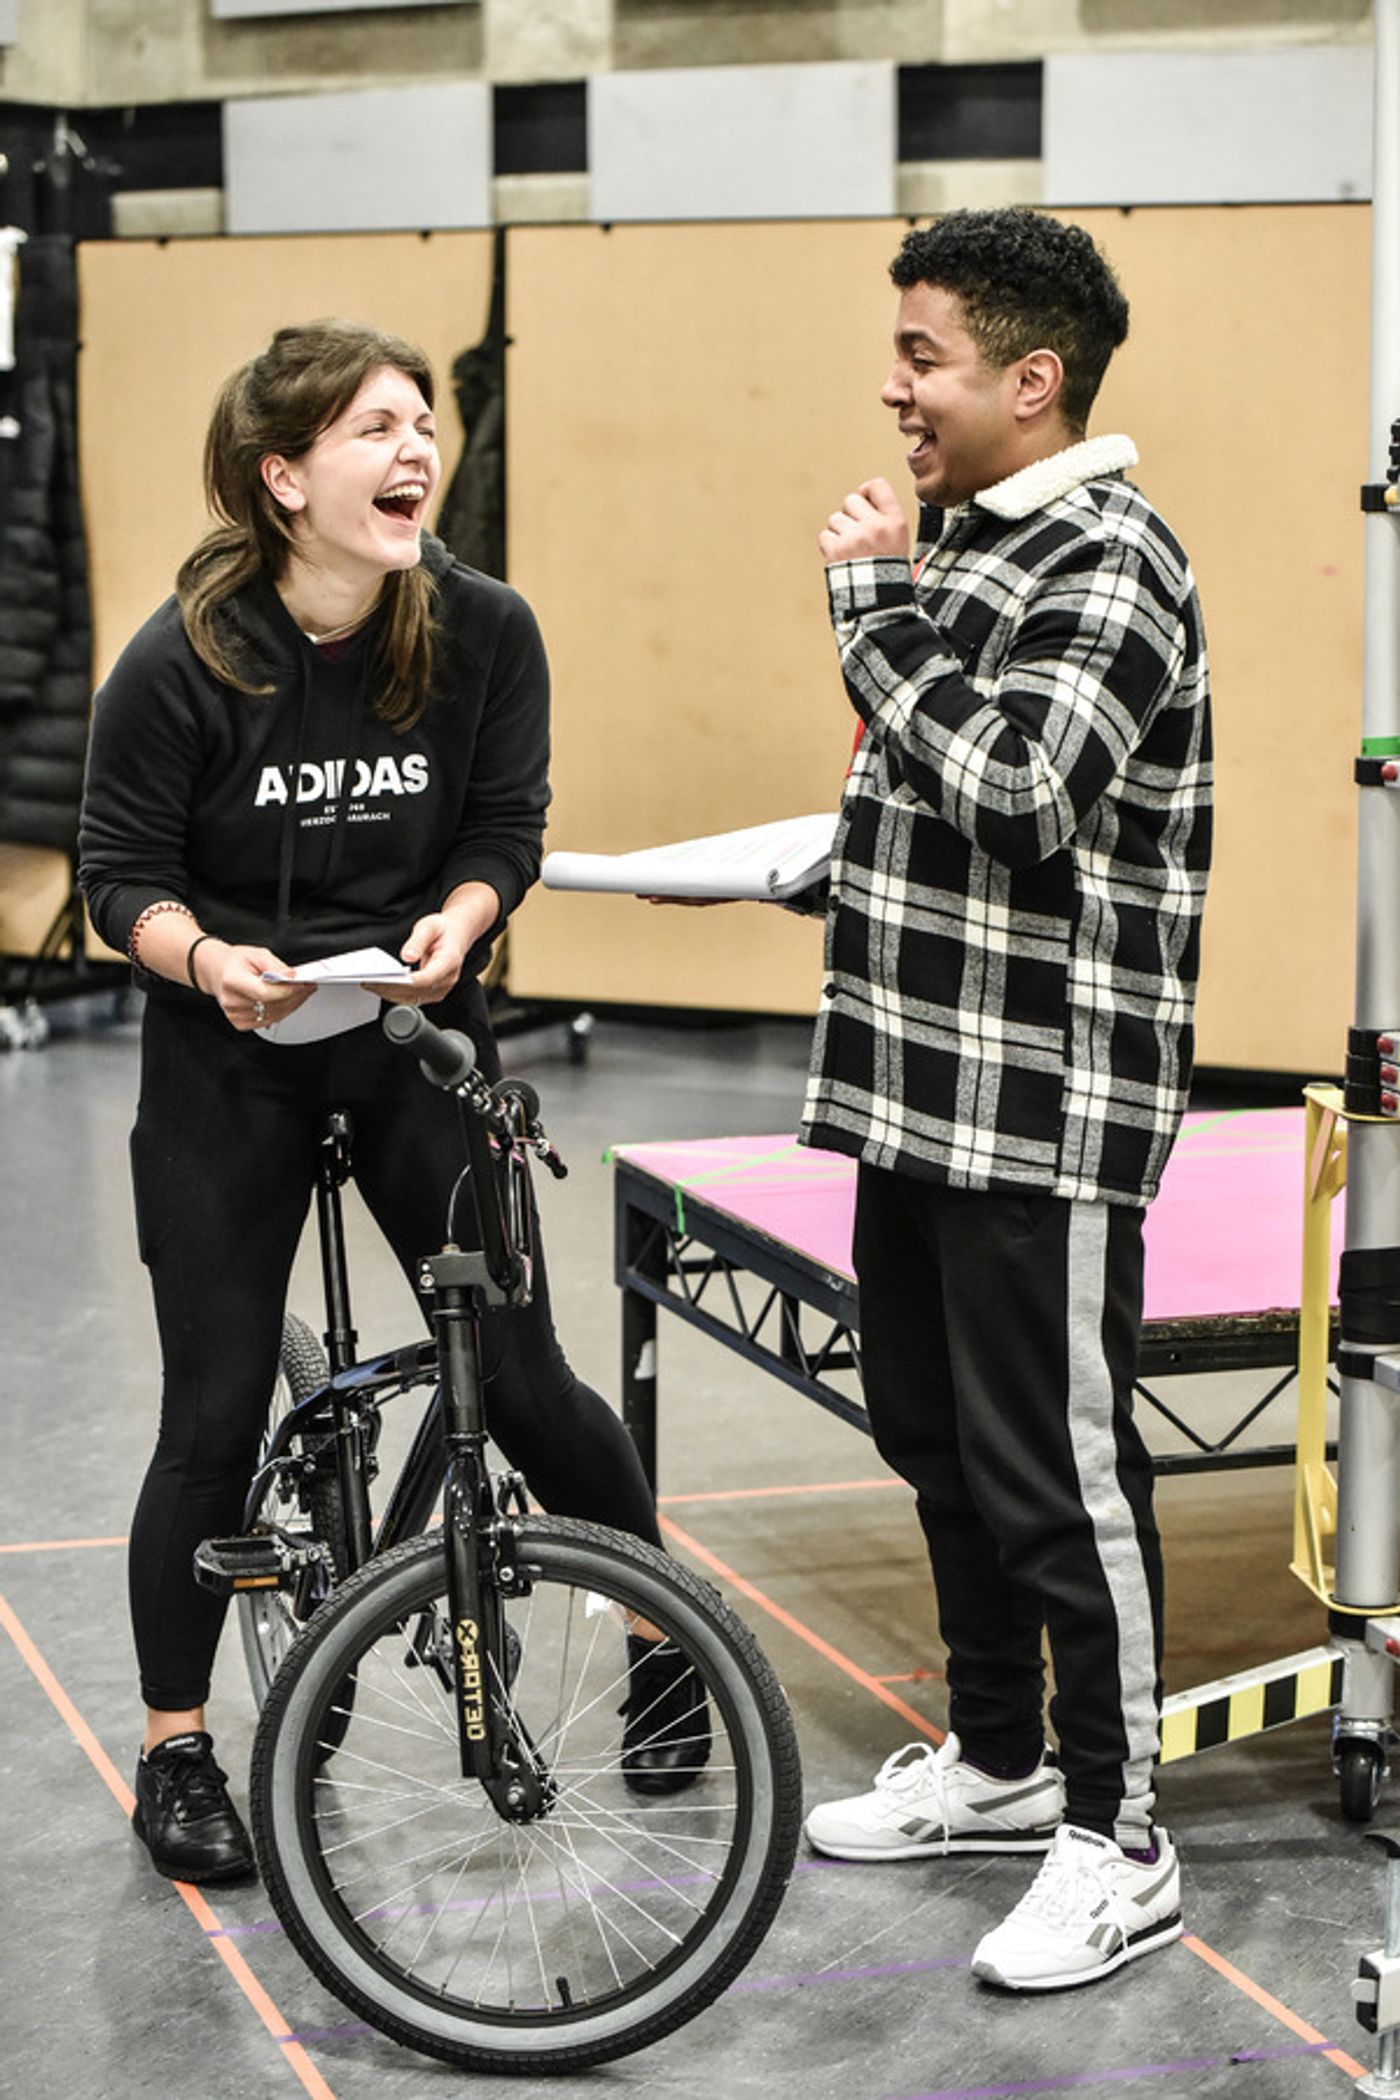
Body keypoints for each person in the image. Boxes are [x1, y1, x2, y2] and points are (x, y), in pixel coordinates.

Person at [79, 318, 703, 1887]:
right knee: (213, 1412)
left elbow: (506, 823)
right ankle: (174, 1747)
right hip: (230, 1051)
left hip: (413, 1033)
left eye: (423, 422)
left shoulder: (484, 629)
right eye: (374, 427)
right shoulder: (181, 659)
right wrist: (207, 956)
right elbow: (120, 882)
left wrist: (467, 919)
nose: (417, 448)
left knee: (530, 1377)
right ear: (284, 478)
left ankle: (663, 1638)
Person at [799, 209, 1212, 1992]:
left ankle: (1122, 1841)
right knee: (941, 1447)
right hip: (917, 1091)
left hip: (1039, 1110)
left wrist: (870, 613)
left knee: (1059, 1484)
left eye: (925, 358)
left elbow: (1027, 792)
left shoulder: (1112, 559)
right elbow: (942, 801)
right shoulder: (974, 544)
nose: (895, 390)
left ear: (1032, 380)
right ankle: (997, 1763)